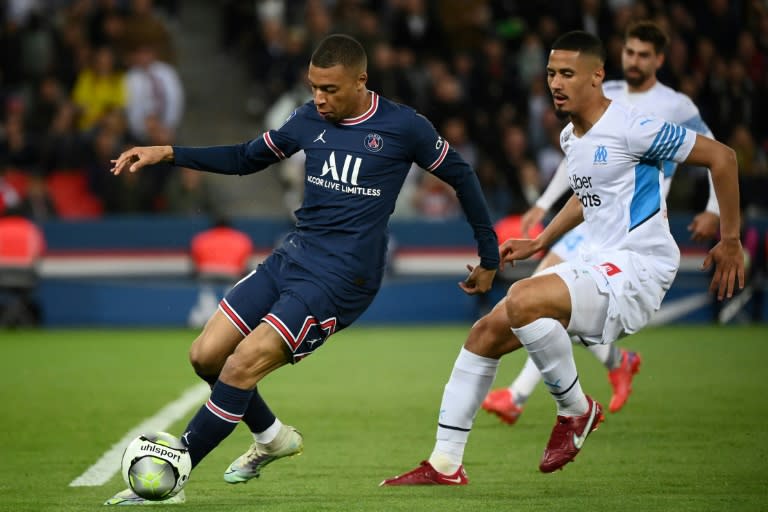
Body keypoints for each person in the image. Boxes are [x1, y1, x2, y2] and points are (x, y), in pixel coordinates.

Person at [104, 34, 499, 505]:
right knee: (205, 356)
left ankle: (173, 473)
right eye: (313, 86)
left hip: (341, 279)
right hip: (293, 256)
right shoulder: (309, 118)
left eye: (330, 89)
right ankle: (272, 438)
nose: (319, 98)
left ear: (361, 81)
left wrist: (489, 256)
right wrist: (169, 152)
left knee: (242, 365)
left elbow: (462, 175)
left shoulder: (403, 126)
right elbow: (247, 158)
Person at [381, 30, 744, 485]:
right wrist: (540, 240)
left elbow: (724, 158)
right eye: (551, 72)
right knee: (486, 332)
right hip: (596, 260)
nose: (555, 82)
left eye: (567, 73)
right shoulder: (573, 135)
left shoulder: (635, 126)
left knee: (523, 299)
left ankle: (575, 410)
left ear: (597, 77)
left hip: (639, 265)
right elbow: (586, 192)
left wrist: (730, 238)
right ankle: (445, 464)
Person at [482, 20, 723, 424]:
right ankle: (611, 366)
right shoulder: (599, 94)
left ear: (659, 60)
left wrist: (716, 210)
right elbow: (578, 165)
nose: (635, 60)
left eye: (644, 54)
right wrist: (543, 205)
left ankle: (522, 396)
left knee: (545, 302)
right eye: (630, 52)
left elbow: (717, 154)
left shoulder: (676, 106)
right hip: (591, 219)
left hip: (634, 225)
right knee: (541, 297)